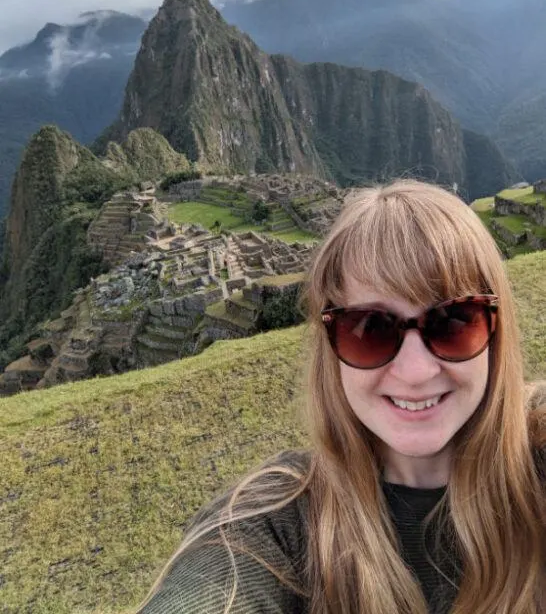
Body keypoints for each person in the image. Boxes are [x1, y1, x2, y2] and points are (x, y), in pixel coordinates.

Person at [136, 179, 545, 614]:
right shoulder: (276, 523)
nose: (415, 372)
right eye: (370, 329)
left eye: (454, 322)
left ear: (496, 330)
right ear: (330, 346)